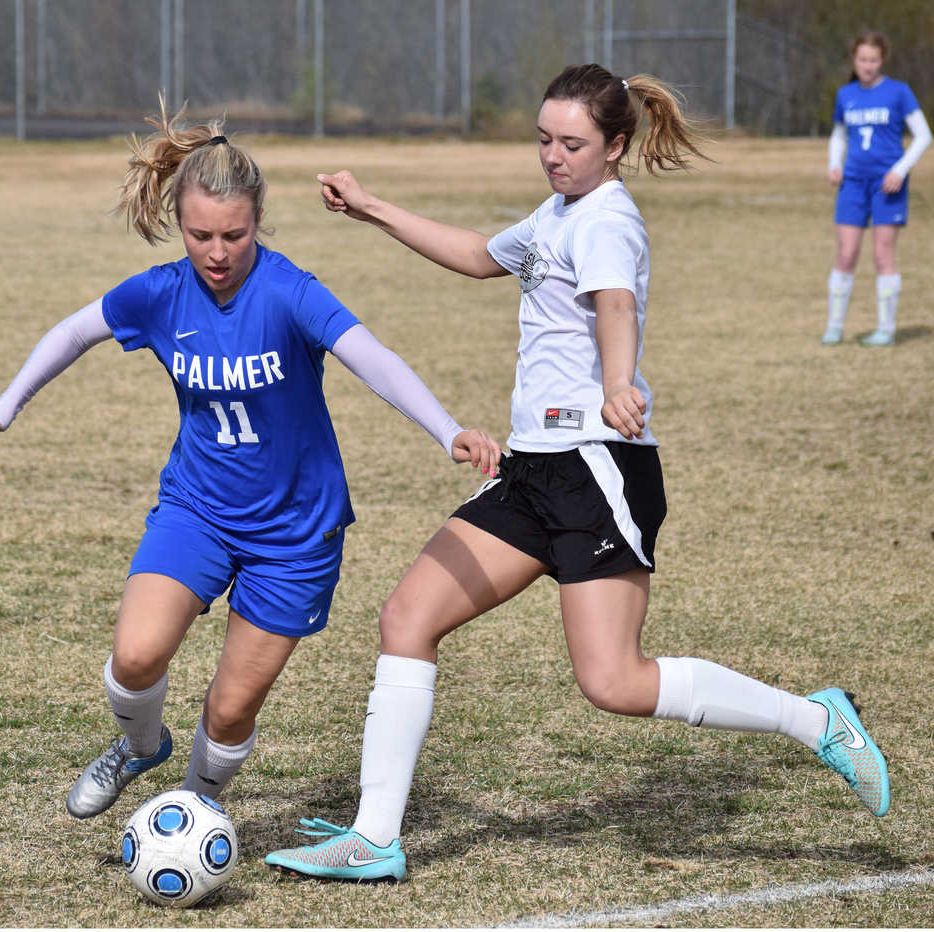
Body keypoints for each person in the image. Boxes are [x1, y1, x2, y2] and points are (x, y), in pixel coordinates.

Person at [264, 64, 891, 884]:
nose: (552, 156)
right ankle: (376, 836)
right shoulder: (557, 213)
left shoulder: (605, 223)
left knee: (614, 681)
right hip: (534, 469)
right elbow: (481, 256)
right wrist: (372, 206)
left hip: (598, 468)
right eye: (543, 140)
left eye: (572, 143)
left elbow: (615, 306)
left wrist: (620, 381)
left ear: (616, 146)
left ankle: (816, 721)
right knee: (407, 617)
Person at [0, 97, 501, 821]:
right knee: (135, 658)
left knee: (228, 709)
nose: (217, 254)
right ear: (179, 225)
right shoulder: (160, 294)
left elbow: (372, 359)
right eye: (200, 236)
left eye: (235, 235)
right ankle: (139, 747)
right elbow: (74, 331)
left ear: (258, 222)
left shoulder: (288, 292)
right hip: (198, 512)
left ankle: (191, 810)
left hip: (295, 536)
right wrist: (8, 401)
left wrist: (448, 430)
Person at [822, 31, 931, 346]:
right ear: (854, 60)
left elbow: (923, 136)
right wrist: (834, 163)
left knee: (883, 256)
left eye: (873, 59)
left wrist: (899, 170)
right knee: (846, 252)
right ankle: (834, 326)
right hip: (853, 183)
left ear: (882, 60)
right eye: (862, 59)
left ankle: (886, 329)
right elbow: (839, 135)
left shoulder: (899, 92)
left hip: (888, 185)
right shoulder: (846, 94)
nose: (867, 65)